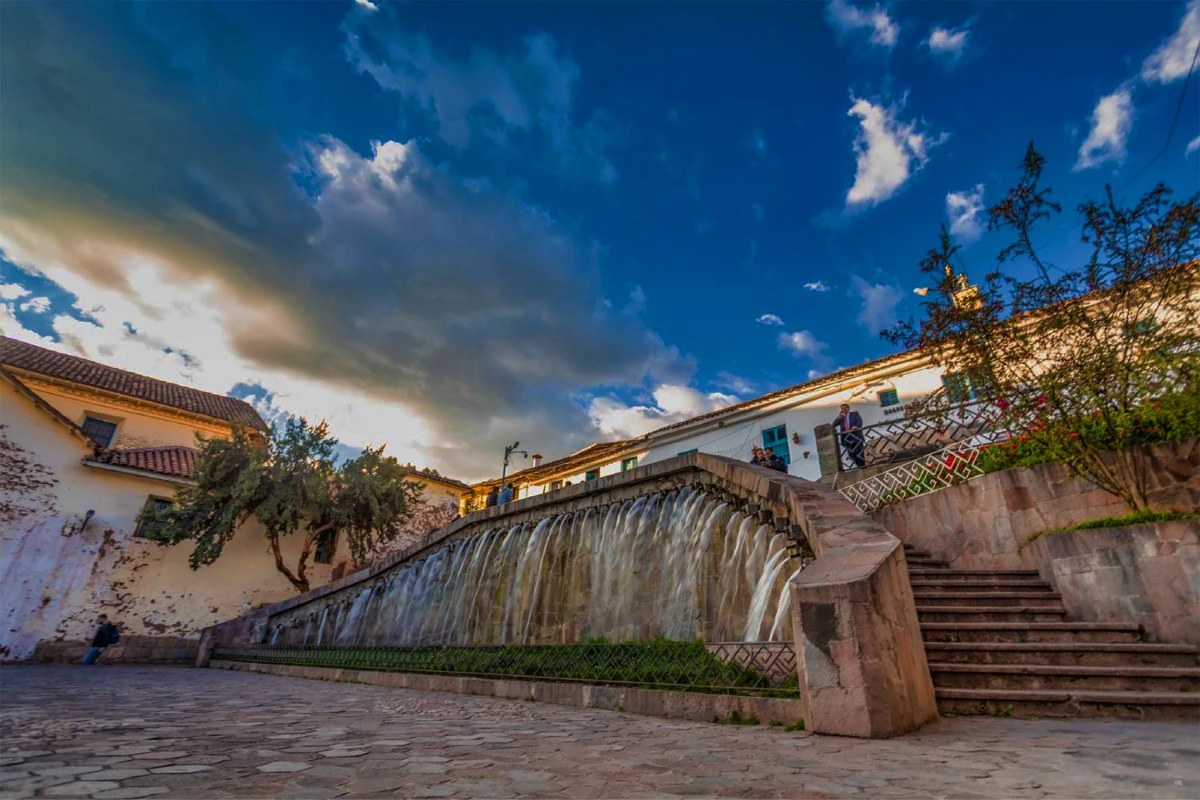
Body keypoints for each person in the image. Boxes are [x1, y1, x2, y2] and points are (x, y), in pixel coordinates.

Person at [833, 403, 866, 468]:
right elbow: (833, 424)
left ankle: (862, 467)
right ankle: (859, 466)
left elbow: (860, 422)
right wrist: (839, 417)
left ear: (848, 408)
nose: (843, 409)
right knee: (851, 454)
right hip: (847, 439)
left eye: (845, 408)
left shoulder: (854, 414)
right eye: (842, 409)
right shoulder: (841, 418)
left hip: (856, 437)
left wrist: (856, 426)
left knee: (860, 453)